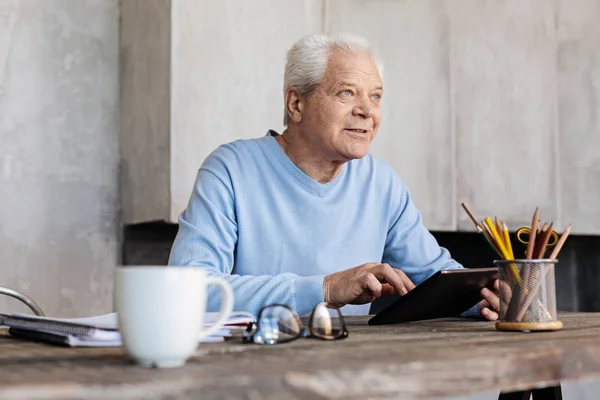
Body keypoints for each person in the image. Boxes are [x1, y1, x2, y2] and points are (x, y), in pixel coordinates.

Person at [168, 32, 500, 319]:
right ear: (297, 104)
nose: (367, 111)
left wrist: (490, 296)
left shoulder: (381, 184)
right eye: (346, 93)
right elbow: (189, 291)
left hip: (348, 372)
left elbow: (435, 278)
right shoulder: (229, 170)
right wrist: (325, 288)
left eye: (375, 96)